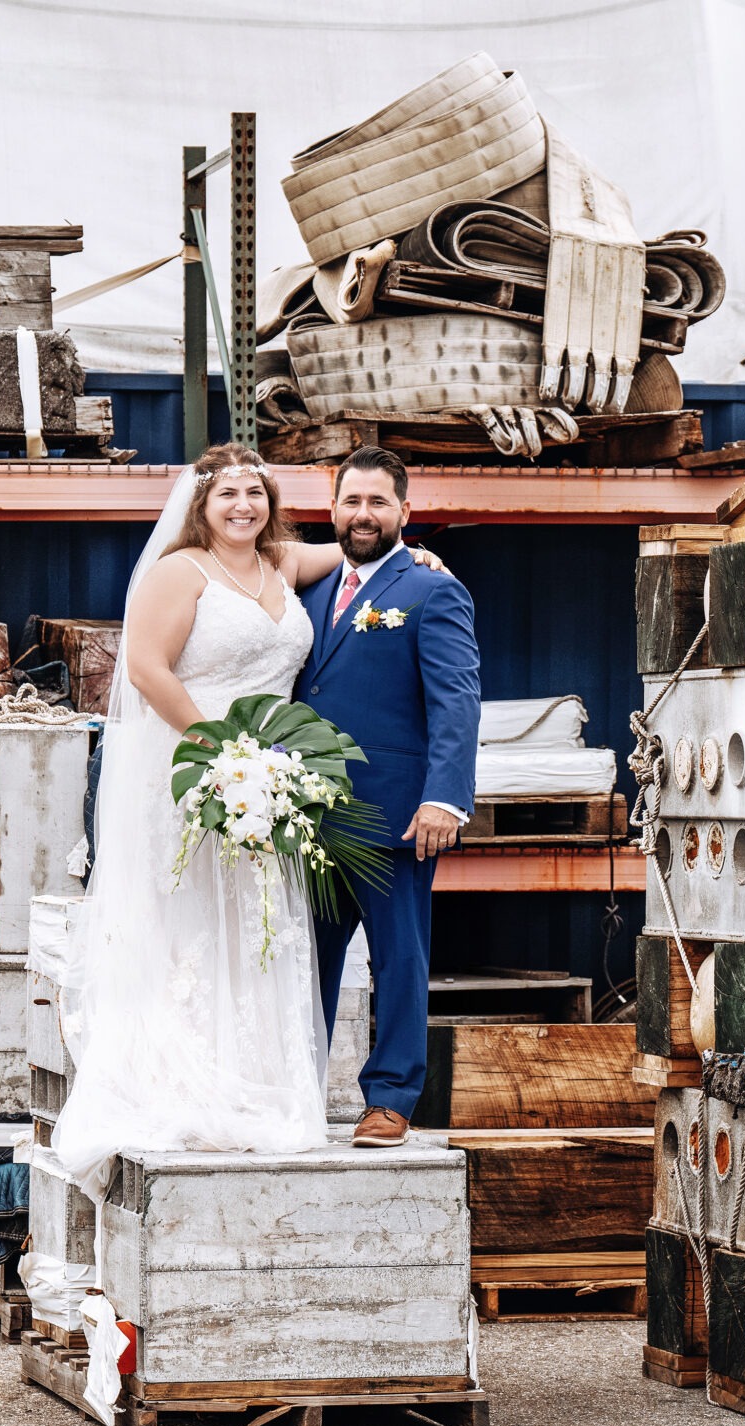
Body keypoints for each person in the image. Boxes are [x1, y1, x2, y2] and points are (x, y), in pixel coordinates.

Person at [49, 445, 456, 1196]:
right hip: (204, 771)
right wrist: (219, 753)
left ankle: (289, 1087)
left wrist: (416, 555)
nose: (242, 505)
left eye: (255, 492)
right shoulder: (179, 572)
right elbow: (146, 670)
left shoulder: (286, 566)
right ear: (200, 505)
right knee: (200, 933)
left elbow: (362, 548)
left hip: (286, 792)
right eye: (227, 493)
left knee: (268, 938)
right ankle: (192, 1085)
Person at [297, 448, 482, 1146]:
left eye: (378, 503)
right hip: (309, 818)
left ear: (405, 511)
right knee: (303, 961)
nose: (363, 515)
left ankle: (392, 1097)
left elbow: (456, 701)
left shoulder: (432, 590)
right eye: (352, 502)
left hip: (396, 815)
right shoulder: (310, 590)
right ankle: (297, 1092)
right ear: (333, 509)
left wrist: (445, 798)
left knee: (399, 957)